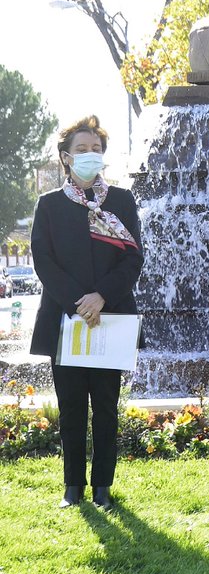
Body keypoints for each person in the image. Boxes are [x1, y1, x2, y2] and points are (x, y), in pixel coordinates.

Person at [30, 116, 144, 511]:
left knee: (106, 408)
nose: (89, 156)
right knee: (72, 406)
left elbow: (133, 260)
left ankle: (102, 488)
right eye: (81, 150)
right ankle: (73, 487)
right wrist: (80, 301)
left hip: (111, 318)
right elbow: (43, 262)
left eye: (95, 149)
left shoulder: (122, 201)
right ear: (66, 158)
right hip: (66, 320)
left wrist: (102, 297)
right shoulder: (49, 206)